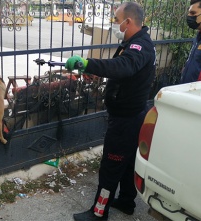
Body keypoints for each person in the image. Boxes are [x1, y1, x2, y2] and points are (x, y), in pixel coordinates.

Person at [65, 2, 156, 221]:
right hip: (131, 117)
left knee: (111, 166)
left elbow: (122, 67)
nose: (114, 24)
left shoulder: (139, 47)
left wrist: (87, 64)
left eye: (116, 20)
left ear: (129, 21)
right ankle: (126, 201)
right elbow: (121, 68)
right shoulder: (133, 41)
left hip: (126, 121)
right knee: (126, 163)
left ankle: (98, 213)